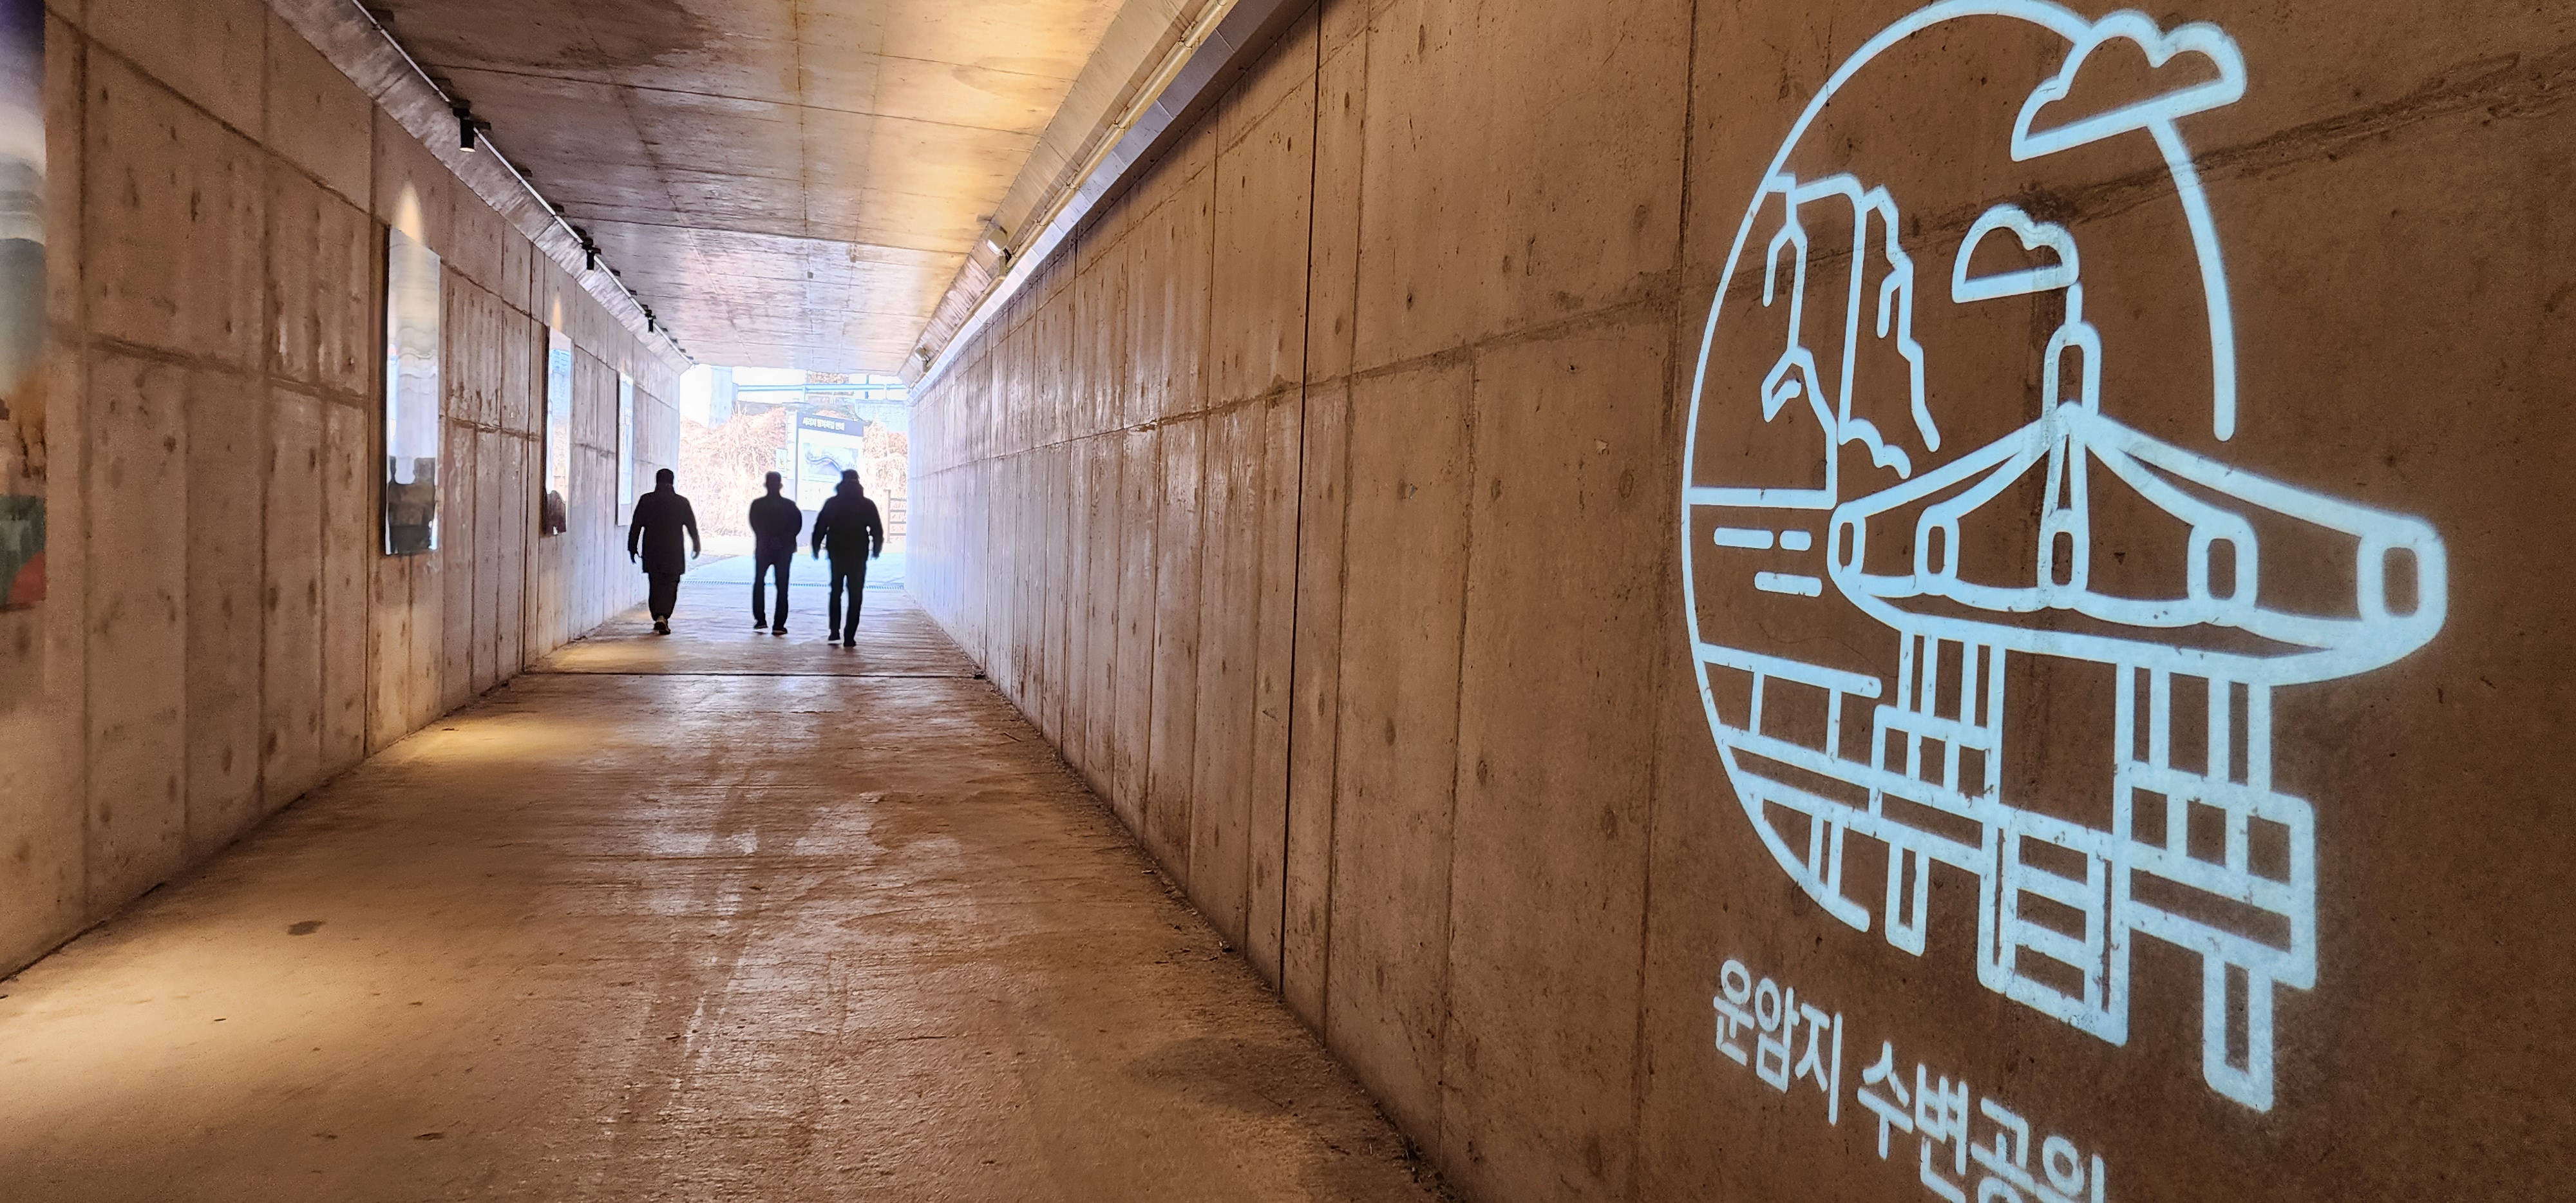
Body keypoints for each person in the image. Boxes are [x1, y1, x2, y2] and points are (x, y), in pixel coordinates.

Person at [810, 469, 884, 647]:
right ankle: (850, 636)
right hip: (858, 553)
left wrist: (816, 546)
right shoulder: (867, 504)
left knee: (836, 591)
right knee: (856, 594)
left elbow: (821, 526)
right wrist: (876, 549)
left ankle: (834, 632)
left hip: (837, 552)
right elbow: (876, 529)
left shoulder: (833, 503)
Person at [626, 468, 700, 635]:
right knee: (671, 584)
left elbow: (636, 526)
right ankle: (664, 615)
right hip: (673, 552)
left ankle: (657, 615)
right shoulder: (681, 502)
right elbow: (692, 526)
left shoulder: (647, 500)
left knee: (655, 584)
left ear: (657, 481)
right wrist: (696, 545)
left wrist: (632, 547)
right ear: (672, 482)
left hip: (652, 551)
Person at [747, 471, 802, 634]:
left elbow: (755, 525)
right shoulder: (790, 506)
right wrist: (782, 540)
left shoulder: (757, 505)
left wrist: (769, 538)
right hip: (784, 550)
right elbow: (796, 526)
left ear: (766, 485)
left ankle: (760, 620)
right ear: (780, 486)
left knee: (759, 582)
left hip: (764, 548)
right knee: (782, 586)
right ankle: (779, 624)